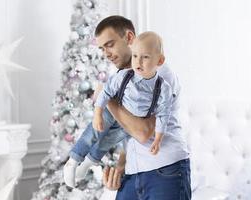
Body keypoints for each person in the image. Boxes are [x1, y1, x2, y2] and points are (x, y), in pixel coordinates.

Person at [95, 16, 191, 200]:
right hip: (134, 174)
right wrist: (121, 167)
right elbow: (129, 133)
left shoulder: (159, 74)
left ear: (129, 38)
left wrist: (107, 99)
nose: (106, 53)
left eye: (110, 44)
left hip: (165, 170)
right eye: (102, 48)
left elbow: (144, 132)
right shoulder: (124, 78)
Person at [63, 31, 171, 187]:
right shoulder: (125, 76)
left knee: (107, 142)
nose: (138, 61)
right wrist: (98, 113)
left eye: (145, 57)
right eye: (134, 56)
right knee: (93, 134)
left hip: (127, 123)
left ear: (159, 60)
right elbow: (105, 92)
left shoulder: (163, 88)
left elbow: (163, 114)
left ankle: (86, 165)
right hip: (111, 111)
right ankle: (73, 161)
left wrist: (158, 139)